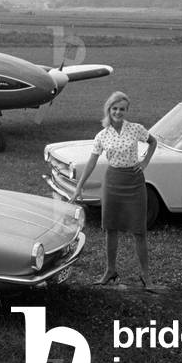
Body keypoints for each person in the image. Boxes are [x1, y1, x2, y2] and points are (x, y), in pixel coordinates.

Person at [71, 91, 157, 290]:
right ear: (109, 110)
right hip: (112, 182)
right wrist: (79, 186)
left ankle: (145, 275)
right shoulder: (102, 135)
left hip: (134, 182)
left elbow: (153, 142)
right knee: (110, 228)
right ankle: (110, 271)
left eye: (122, 109)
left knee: (139, 230)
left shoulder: (136, 129)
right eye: (114, 108)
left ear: (127, 111)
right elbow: (92, 161)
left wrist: (144, 162)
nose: (118, 112)